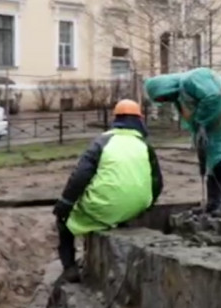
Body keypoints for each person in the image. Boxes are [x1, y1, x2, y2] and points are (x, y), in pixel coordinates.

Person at [53, 99, 163, 282]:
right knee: (120, 202)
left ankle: (69, 267)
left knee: (64, 223)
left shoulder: (102, 142)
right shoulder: (144, 145)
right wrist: (148, 203)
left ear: (115, 119)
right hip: (136, 207)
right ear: (139, 120)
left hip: (105, 207)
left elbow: (80, 176)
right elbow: (158, 182)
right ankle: (120, 220)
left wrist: (65, 204)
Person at [143, 68, 221, 216]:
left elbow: (213, 96)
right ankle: (213, 202)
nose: (164, 101)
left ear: (165, 88)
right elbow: (192, 120)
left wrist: (201, 121)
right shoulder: (180, 97)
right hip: (216, 128)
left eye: (162, 98)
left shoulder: (193, 79)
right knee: (211, 165)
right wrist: (198, 136)